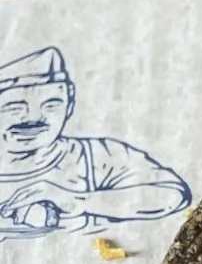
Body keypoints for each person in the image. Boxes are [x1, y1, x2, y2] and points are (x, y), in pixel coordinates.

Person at [0, 46, 189, 237]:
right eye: (14, 107)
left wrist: (77, 201)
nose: (34, 119)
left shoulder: (97, 156)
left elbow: (171, 194)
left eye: (51, 105)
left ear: (70, 105)